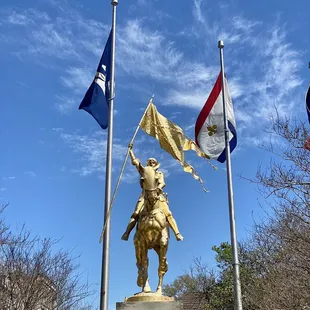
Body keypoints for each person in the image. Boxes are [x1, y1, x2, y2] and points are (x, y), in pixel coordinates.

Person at [121, 144, 183, 242]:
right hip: (144, 196)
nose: (151, 163)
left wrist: (159, 188)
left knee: (168, 213)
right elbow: (136, 163)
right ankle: (127, 233)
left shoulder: (159, 173)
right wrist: (130, 151)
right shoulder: (144, 171)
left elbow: (162, 183)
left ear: (156, 164)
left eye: (153, 162)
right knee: (136, 213)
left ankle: (177, 233)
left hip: (158, 195)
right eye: (150, 162)